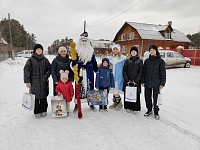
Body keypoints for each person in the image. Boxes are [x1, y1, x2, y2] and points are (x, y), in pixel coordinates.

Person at [72, 32, 98, 112]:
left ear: (87, 41)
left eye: (85, 41)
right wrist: (74, 64)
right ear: (79, 41)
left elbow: (94, 60)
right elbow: (74, 60)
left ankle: (91, 103)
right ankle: (77, 104)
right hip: (80, 71)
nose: (83, 42)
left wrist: (96, 69)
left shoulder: (90, 50)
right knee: (79, 87)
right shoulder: (76, 50)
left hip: (89, 71)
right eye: (82, 40)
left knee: (90, 86)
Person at [24, 44, 51, 118]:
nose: (39, 50)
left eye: (40, 49)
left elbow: (49, 68)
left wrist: (46, 75)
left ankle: (43, 110)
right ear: (35, 51)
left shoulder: (45, 60)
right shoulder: (31, 60)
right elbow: (26, 70)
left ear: (42, 51)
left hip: (43, 82)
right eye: (37, 49)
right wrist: (27, 81)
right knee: (35, 97)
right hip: (34, 82)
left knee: (43, 96)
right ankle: (37, 111)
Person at [142, 45, 166, 120]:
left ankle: (156, 111)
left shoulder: (160, 61)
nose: (152, 51)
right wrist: (143, 81)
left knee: (156, 98)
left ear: (156, 51)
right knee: (147, 97)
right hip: (147, 82)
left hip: (157, 83)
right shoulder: (146, 61)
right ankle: (149, 110)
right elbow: (144, 72)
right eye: (150, 50)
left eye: (153, 50)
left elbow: (163, 73)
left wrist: (162, 83)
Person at [123, 46, 143, 113]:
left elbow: (141, 71)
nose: (133, 52)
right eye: (132, 51)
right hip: (128, 81)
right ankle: (128, 107)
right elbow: (124, 71)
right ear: (130, 53)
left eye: (135, 51)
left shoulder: (140, 61)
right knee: (128, 93)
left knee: (136, 94)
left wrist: (136, 81)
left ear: (137, 53)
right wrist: (127, 80)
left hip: (136, 82)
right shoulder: (127, 60)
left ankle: (135, 108)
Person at [107, 44, 126, 110]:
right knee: (113, 89)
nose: (115, 50)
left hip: (119, 76)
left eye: (116, 49)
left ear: (118, 50)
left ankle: (119, 102)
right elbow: (106, 65)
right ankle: (115, 102)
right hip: (111, 75)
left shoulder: (122, 58)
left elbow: (125, 67)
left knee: (117, 90)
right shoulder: (109, 58)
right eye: (114, 49)